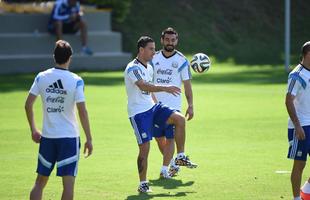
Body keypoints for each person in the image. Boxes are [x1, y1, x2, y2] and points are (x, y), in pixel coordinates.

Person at [124, 36, 197, 193]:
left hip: (152, 107)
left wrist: (157, 103)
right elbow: (143, 85)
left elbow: (149, 91)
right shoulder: (133, 68)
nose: (153, 52)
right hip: (138, 113)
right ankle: (143, 183)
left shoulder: (149, 67)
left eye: (153, 48)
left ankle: (180, 156)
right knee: (145, 148)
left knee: (179, 119)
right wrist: (165, 87)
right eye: (150, 49)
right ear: (141, 50)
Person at [25, 40, 93, 200]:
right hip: (69, 138)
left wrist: (33, 130)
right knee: (68, 185)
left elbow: (28, 105)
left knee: (40, 182)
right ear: (70, 57)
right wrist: (89, 139)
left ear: (54, 56)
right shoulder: (76, 80)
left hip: (48, 138)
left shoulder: (41, 77)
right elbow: (82, 111)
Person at [151, 27, 197, 179]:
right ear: (162, 40)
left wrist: (190, 105)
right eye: (167, 40)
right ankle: (174, 163)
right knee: (159, 139)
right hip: (154, 105)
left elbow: (187, 85)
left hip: (173, 107)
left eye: (173, 40)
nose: (170, 42)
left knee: (170, 138)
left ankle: (168, 166)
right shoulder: (153, 58)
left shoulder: (182, 60)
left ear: (176, 41)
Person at [286, 41, 310, 200]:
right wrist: (297, 126)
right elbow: (288, 101)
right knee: (300, 164)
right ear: (308, 54)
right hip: (300, 126)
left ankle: (306, 192)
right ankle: (297, 198)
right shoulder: (297, 74)